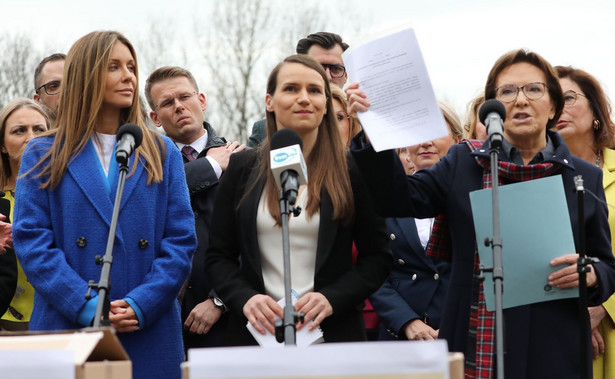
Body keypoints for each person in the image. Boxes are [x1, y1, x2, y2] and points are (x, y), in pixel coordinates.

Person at [350, 49, 615, 378]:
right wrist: (373, 130)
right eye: (507, 91)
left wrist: (590, 274)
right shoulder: (464, 163)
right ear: (492, 109)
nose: (520, 100)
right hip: (474, 337)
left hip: (554, 342)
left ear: (553, 107)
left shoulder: (582, 177)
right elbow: (398, 199)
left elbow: (606, 265)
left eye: (534, 89)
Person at [13, 31, 196, 379]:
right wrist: (83, 304)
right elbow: (32, 241)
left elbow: (181, 241)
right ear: (86, 74)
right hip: (67, 329)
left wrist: (143, 303)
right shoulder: (42, 152)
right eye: (114, 66)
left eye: (131, 66)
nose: (128, 75)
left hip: (148, 329)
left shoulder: (162, 152)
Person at [206, 54, 392, 346]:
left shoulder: (352, 170)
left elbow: (379, 257)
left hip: (333, 335)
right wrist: (246, 299)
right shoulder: (242, 169)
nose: (304, 98)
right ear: (269, 101)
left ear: (326, 105)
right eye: (291, 88)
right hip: (257, 338)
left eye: (315, 90)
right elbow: (219, 257)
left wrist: (332, 298)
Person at [145, 66, 245, 350]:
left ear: (201, 101)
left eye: (184, 97)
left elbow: (257, 242)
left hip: (232, 320)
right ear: (155, 118)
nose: (178, 107)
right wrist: (210, 167)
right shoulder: (144, 169)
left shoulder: (244, 161)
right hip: (161, 318)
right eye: (167, 102)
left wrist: (219, 300)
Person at [370, 102, 460, 341]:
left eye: (435, 132)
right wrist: (407, 321)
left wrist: (455, 323)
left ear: (458, 140)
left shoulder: (474, 194)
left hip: (461, 329)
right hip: (400, 335)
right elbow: (373, 269)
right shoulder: (386, 198)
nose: (425, 142)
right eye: (416, 134)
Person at [554, 65, 615, 379]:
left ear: (596, 111)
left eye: (569, 98)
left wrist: (603, 307)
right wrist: (574, 312)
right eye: (554, 99)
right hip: (559, 330)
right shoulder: (536, 177)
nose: (560, 108)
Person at [247, 32, 350, 147]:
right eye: (318, 68)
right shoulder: (264, 131)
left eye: (336, 69)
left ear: (346, 75)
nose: (328, 77)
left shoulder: (364, 130)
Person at [0, 98, 49, 331]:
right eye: (19, 131)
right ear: (2, 144)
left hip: (58, 322)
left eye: (39, 129)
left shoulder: (70, 195)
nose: (31, 138)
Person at [33, 53, 65, 123]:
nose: (64, 92)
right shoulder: (30, 133)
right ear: (38, 100)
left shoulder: (94, 133)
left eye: (70, 84)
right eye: (53, 86)